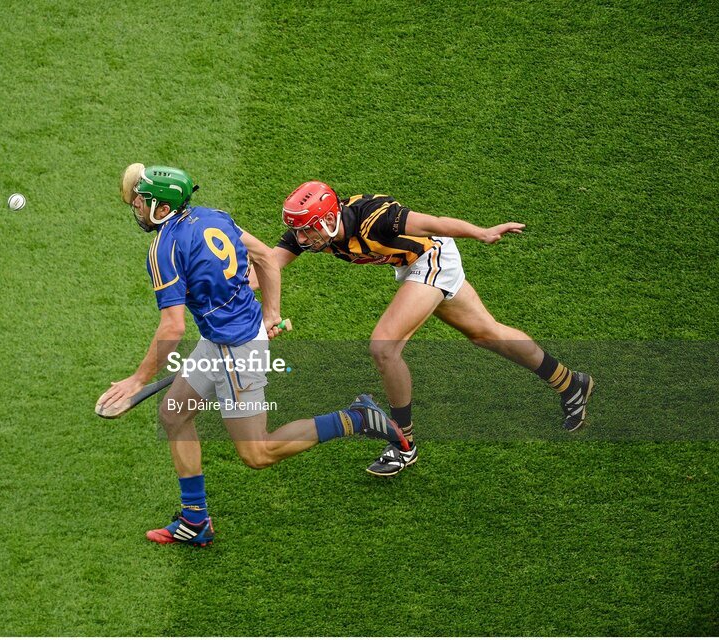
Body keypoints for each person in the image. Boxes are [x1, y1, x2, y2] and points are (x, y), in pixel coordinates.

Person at [98, 165, 408, 547]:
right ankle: (196, 520)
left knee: (258, 453)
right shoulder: (213, 216)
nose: (138, 208)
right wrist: (270, 314)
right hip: (226, 337)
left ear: (162, 209)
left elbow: (172, 328)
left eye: (144, 202)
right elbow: (263, 256)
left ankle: (356, 418)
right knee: (173, 413)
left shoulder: (163, 249)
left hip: (235, 351)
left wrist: (137, 380)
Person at [251, 181, 594, 477]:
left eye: (305, 229)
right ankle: (571, 383)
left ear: (328, 219)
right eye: (296, 230)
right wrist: (226, 287)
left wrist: (481, 232)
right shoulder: (316, 230)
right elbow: (268, 266)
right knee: (486, 333)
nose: (300, 237)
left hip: (432, 259)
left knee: (383, 347)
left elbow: (435, 222)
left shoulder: (376, 217)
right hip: (413, 266)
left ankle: (403, 443)